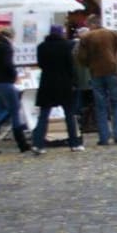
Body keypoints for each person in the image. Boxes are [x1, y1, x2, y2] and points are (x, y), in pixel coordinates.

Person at [31, 25, 82, 154]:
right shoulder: (66, 46)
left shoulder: (41, 47)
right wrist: (74, 81)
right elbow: (70, 66)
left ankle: (38, 144)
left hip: (47, 83)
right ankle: (74, 143)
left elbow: (41, 64)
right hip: (64, 83)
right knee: (69, 115)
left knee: (43, 116)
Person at [77, 15, 117, 146]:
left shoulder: (87, 37)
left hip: (96, 72)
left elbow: (81, 57)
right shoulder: (113, 34)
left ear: (91, 24)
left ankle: (104, 137)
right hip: (113, 71)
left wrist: (89, 64)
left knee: (101, 106)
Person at [0, 27, 31, 155]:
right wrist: (14, 74)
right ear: (11, 36)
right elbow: (8, 64)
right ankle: (22, 143)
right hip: (6, 82)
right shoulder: (6, 47)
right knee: (15, 111)